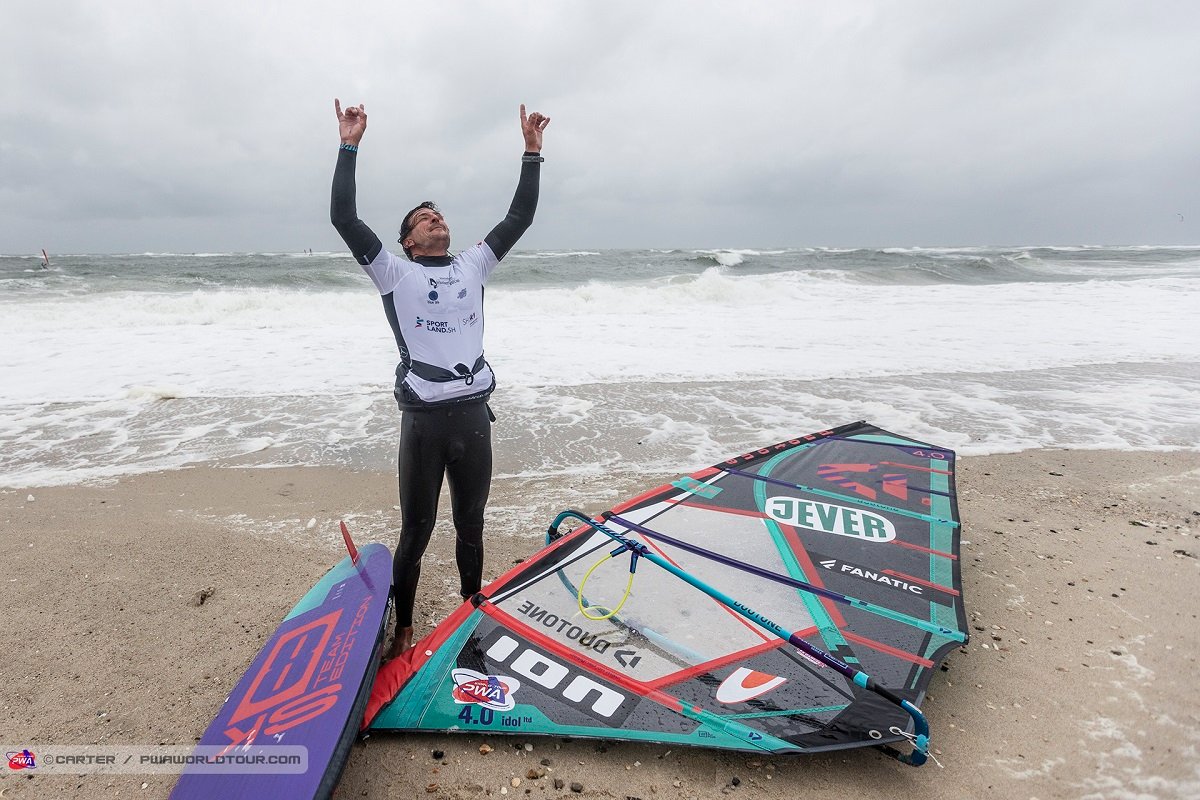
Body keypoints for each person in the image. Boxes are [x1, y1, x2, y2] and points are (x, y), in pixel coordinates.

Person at [330, 98, 550, 659]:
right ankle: (403, 629)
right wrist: (348, 144)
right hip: (424, 424)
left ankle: (472, 608)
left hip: (473, 417)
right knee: (417, 531)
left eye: (440, 215)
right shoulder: (392, 270)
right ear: (406, 241)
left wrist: (531, 154)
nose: (437, 220)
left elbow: (519, 218)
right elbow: (344, 218)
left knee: (471, 525)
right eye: (424, 219)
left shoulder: (472, 264)